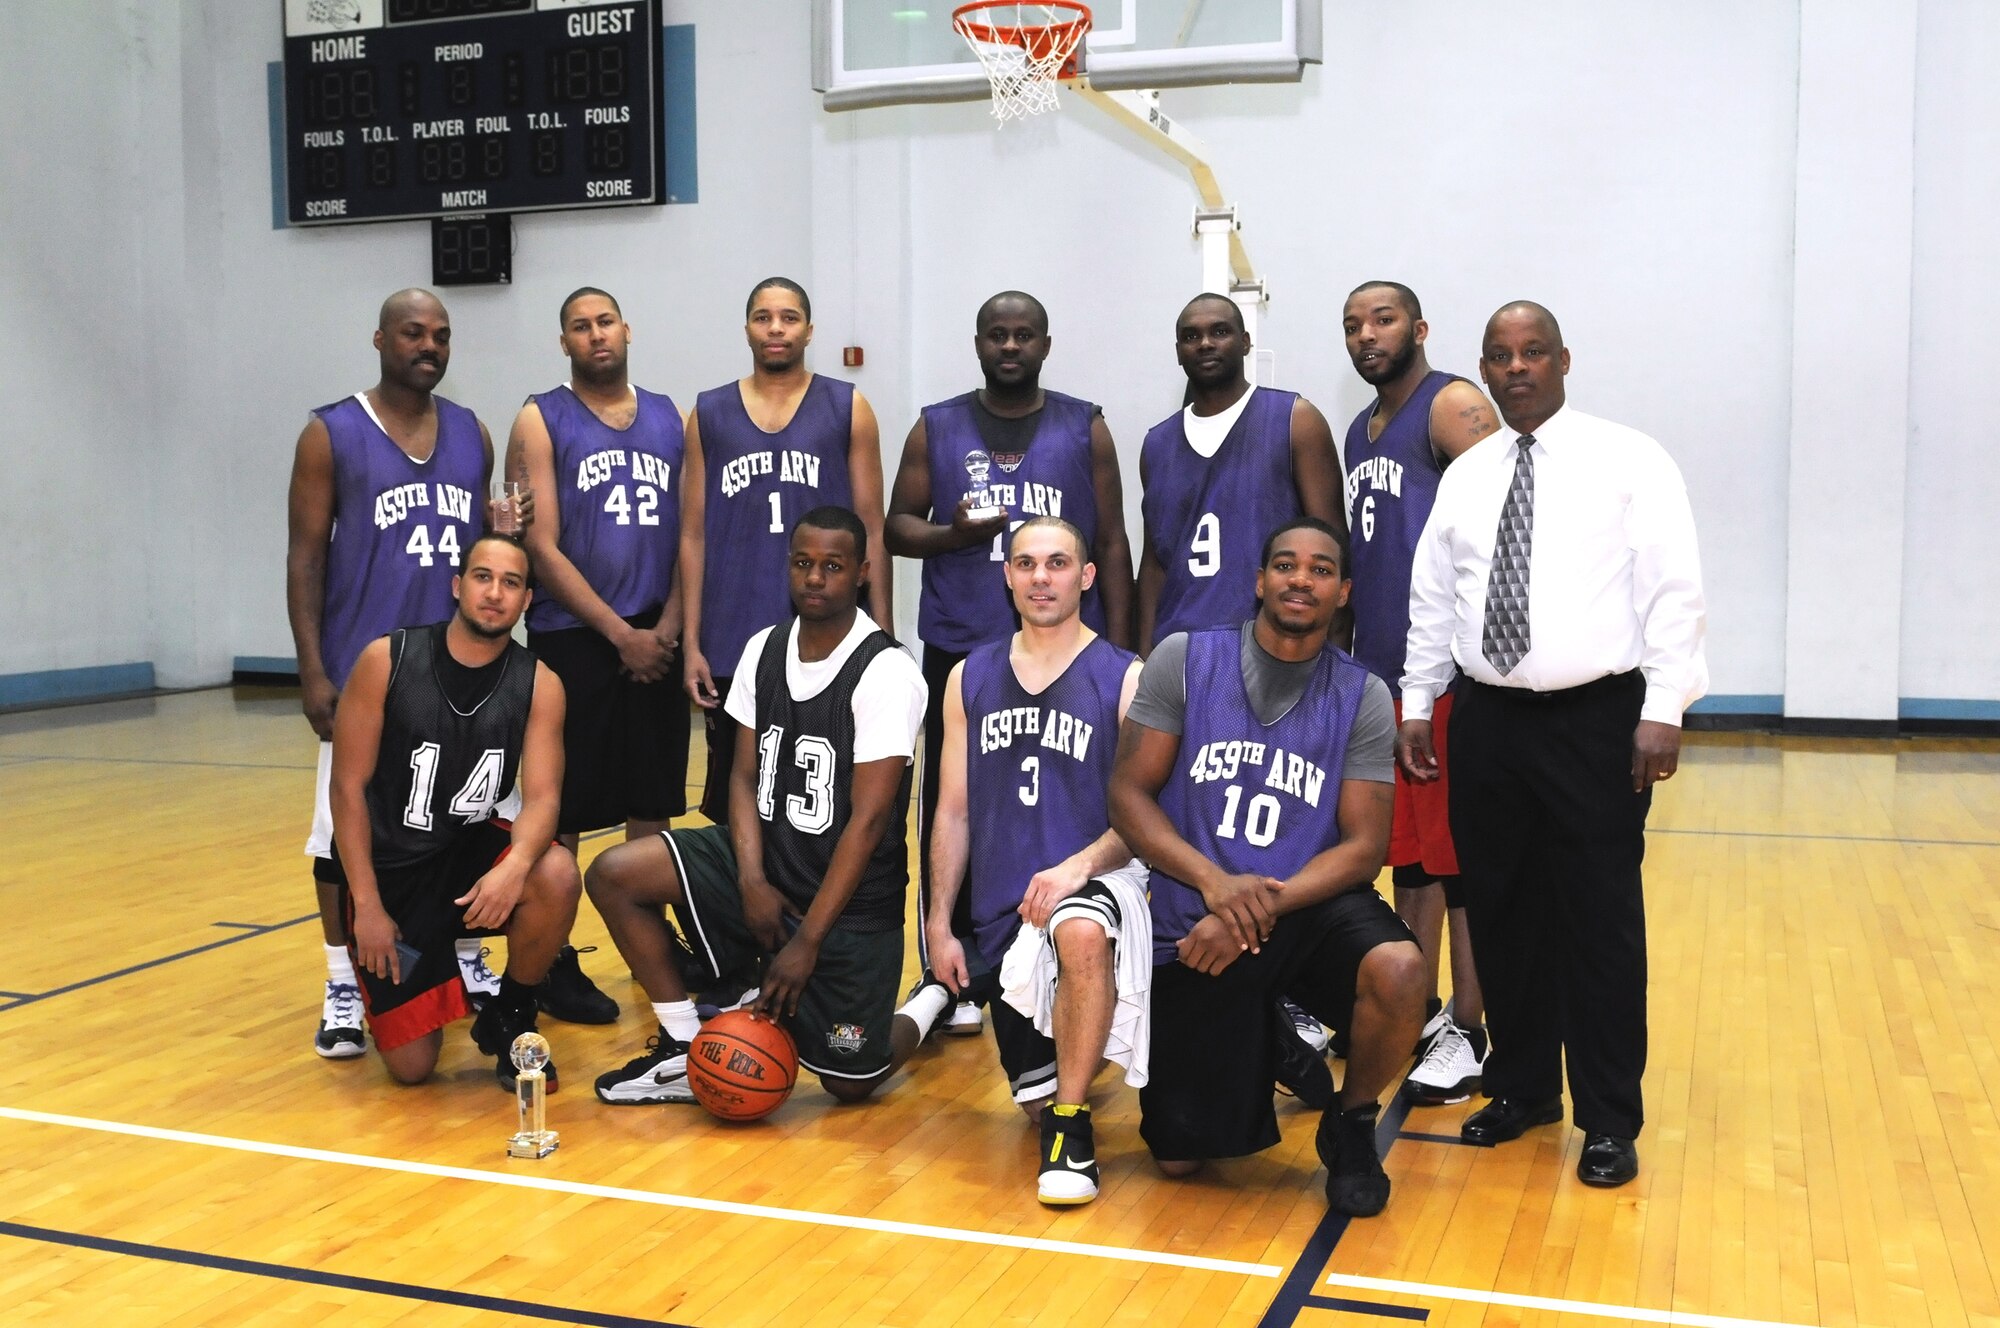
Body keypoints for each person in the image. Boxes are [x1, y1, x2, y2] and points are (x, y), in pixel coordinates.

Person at [1398, 301, 1707, 1188]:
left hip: (1596, 720)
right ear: (1484, 370)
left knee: (1599, 925)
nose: (1518, 367)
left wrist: (1664, 706)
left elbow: (1674, 589)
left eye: (1534, 352)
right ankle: (1526, 1086)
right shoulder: (1468, 473)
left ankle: (1610, 1119)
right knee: (1501, 913)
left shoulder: (1629, 458)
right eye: (1501, 355)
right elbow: (1433, 598)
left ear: (1564, 361)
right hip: (1487, 720)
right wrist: (1419, 701)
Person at [1109, 518, 1425, 1218]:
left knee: (1401, 970)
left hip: (1304, 905)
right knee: (1179, 1157)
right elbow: (1129, 796)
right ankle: (1267, 1033)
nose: (1300, 580)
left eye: (1319, 570)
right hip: (1199, 909)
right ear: (1260, 581)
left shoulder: (1362, 695)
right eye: (1285, 564)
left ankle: (1351, 1122)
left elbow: (1362, 847)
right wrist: (1216, 886)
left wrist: (1256, 910)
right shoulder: (1184, 659)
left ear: (1342, 592)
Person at [587, 507, 931, 1106]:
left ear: (863, 572)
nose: (816, 579)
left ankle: (934, 998)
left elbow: (870, 823)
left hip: (846, 904)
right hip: (767, 869)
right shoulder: (763, 649)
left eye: (832, 566)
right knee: (614, 873)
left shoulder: (888, 671)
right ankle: (682, 1041)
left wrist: (808, 942)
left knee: (855, 1080)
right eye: (803, 564)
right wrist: (749, 879)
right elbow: (741, 778)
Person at [886, 290, 1135, 1035]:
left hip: (1069, 654)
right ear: (978, 343)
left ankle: (1080, 944)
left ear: (1045, 345)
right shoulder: (936, 426)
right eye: (998, 334)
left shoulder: (1084, 425)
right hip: (966, 644)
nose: (1010, 346)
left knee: (1071, 797)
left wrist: (1122, 645)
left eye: (1024, 335)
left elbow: (1114, 540)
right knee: (953, 805)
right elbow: (897, 525)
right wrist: (954, 535)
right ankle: (949, 965)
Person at [287, 288, 507, 1059]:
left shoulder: (472, 433)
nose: (429, 346)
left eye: (441, 335)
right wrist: (313, 671)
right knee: (338, 839)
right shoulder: (331, 433)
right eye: (414, 333)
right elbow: (307, 555)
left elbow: (483, 555)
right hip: (367, 678)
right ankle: (342, 980)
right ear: (380, 338)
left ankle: (464, 955)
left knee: (467, 825)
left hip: (464, 676)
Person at [917, 516, 1145, 1205]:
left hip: (1099, 884)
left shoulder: (1125, 678)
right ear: (1008, 576)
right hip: (1005, 917)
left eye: (1056, 563)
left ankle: (1073, 1136)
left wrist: (1078, 868)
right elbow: (950, 809)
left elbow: (1142, 820)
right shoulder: (967, 676)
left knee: (1078, 928)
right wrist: (936, 922)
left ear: (1086, 576)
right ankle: (1074, 1074)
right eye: (1025, 563)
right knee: (1030, 1103)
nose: (1040, 577)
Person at [326, 534, 582, 1088]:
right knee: (414, 1069)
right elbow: (347, 790)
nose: (495, 593)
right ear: (457, 586)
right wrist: (367, 906)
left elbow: (543, 799)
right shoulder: (386, 660)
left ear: (526, 601)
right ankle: (417, 985)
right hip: (393, 873)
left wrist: (513, 868)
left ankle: (510, 1013)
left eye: (511, 583)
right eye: (483, 577)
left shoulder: (540, 684)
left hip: (465, 854)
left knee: (555, 871)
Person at [505, 286, 686, 1023]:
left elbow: (692, 533)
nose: (595, 335)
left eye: (605, 321)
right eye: (579, 327)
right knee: (565, 807)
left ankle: (651, 946)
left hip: (657, 632)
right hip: (576, 637)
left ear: (628, 328)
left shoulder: (674, 416)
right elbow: (538, 545)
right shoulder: (540, 417)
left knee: (652, 803)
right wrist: (622, 635)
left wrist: (668, 628)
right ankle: (552, 957)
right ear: (565, 344)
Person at [1340, 280, 1501, 1104]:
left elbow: (1509, 522)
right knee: (1409, 858)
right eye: (1353, 326)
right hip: (1383, 678)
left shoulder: (1452, 407)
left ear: (1420, 328)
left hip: (1443, 675)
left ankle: (1470, 1029)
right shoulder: (1359, 431)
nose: (1367, 336)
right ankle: (1421, 1006)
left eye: (1383, 320)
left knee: (1457, 859)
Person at [681, 278, 891, 831]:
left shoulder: (848, 406)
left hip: (830, 637)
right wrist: (692, 642)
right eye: (764, 317)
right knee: (739, 800)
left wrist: (885, 634)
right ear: (747, 327)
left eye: (790, 317)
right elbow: (694, 534)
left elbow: (874, 527)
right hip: (733, 635)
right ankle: (741, 909)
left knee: (826, 801)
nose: (776, 328)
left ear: (809, 330)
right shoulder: (708, 412)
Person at [1135, 293, 1346, 653]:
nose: (1204, 344)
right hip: (1178, 652)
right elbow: (1155, 565)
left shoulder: (1295, 420)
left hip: (1271, 652)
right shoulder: (1156, 443)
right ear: (1177, 351)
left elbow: (1335, 551)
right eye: (1191, 336)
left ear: (1246, 342)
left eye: (1219, 332)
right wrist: (1142, 662)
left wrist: (1335, 660)